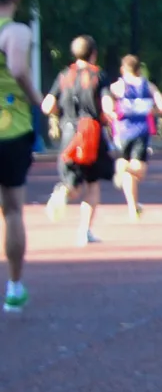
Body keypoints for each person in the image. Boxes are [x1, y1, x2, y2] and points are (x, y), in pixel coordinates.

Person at [43, 36, 114, 245]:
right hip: (92, 133)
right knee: (92, 184)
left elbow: (47, 106)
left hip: (69, 132)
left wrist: (61, 113)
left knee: (72, 181)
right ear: (94, 53)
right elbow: (107, 104)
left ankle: (64, 191)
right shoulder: (98, 75)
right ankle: (84, 231)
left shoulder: (65, 75)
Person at [0, 0, 35, 312]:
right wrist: (37, 98)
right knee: (12, 211)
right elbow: (18, 68)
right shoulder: (16, 31)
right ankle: (13, 287)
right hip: (11, 129)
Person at [105, 55, 162, 219]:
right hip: (141, 132)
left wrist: (112, 112)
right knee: (139, 170)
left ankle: (133, 208)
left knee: (130, 174)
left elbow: (106, 104)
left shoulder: (117, 86)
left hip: (121, 132)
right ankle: (123, 168)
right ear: (139, 69)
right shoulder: (148, 85)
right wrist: (150, 110)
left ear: (122, 69)